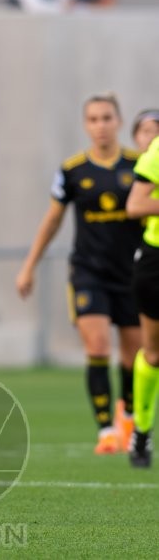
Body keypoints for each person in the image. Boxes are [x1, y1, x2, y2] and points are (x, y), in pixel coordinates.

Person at [16, 94, 142, 454]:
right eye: (93, 119)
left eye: (107, 117)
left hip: (133, 274)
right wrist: (29, 266)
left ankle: (128, 416)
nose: (101, 125)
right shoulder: (73, 171)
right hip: (89, 273)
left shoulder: (140, 165)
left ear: (118, 122)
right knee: (98, 346)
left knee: (134, 356)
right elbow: (53, 220)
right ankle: (105, 430)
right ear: (86, 125)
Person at [126, 110, 159, 468]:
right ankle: (142, 430)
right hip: (155, 262)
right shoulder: (157, 152)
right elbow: (135, 204)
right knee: (153, 354)